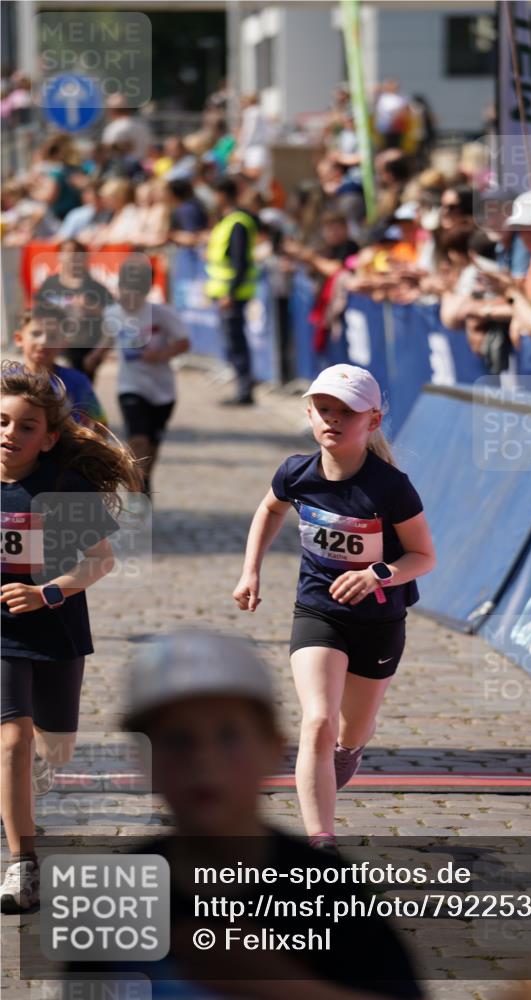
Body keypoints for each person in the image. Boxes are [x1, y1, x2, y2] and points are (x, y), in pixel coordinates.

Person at [63, 629, 424, 998]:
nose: (203, 760)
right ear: (142, 759)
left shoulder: (324, 889)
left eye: (229, 736)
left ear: (274, 749)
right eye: (177, 740)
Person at [233, 364, 435, 849]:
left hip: (380, 622)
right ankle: (321, 840)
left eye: (347, 412)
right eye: (324, 409)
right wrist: (251, 570)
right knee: (317, 719)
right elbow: (269, 509)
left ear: (374, 421)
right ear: (309, 412)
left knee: (350, 729)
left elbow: (423, 557)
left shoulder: (391, 486)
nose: (333, 420)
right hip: (318, 612)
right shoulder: (296, 472)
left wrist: (376, 574)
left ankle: (350, 750)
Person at [0, 361, 141, 913]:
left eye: (25, 426)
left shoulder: (63, 486)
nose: (10, 433)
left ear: (49, 437)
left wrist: (47, 593)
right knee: (12, 739)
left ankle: (28, 782)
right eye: (2, 421)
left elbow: (98, 563)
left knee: (54, 750)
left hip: (56, 629)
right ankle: (22, 863)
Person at [96, 255, 190, 498]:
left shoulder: (161, 314)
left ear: (147, 289)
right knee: (137, 439)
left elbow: (183, 342)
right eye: (124, 290)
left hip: (162, 390)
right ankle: (136, 489)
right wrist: (91, 359)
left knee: (152, 445)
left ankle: (144, 480)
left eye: (135, 291)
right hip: (130, 386)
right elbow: (107, 339)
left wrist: (161, 354)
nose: (129, 297)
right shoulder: (112, 313)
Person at [205, 176, 258, 406]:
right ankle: (241, 387)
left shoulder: (237, 222)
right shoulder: (227, 221)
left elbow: (240, 261)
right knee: (232, 343)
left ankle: (244, 391)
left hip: (233, 294)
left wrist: (230, 292)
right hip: (226, 292)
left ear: (222, 195)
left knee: (237, 344)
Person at [14, 303, 106, 426]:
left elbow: (100, 425)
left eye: (52, 336)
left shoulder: (77, 381)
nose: (44, 341)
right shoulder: (5, 381)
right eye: (36, 334)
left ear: (64, 343)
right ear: (19, 339)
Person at [35, 240, 113, 380]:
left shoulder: (95, 288)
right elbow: (35, 317)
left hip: (83, 352)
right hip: (55, 349)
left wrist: (97, 354)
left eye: (77, 253)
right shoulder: (49, 285)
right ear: (59, 256)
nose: (71, 257)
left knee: (78, 398)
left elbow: (113, 321)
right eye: (67, 252)